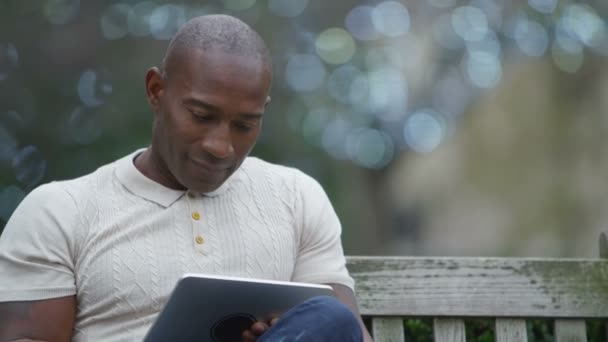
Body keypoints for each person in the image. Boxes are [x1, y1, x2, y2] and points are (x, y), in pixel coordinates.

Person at [0, 14, 373, 342]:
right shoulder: (59, 211)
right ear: (156, 91)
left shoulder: (297, 197)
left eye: (244, 125)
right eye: (201, 116)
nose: (220, 146)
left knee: (329, 316)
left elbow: (346, 332)